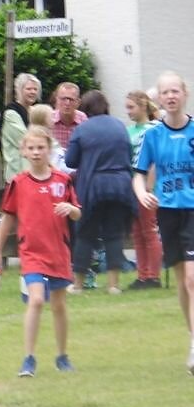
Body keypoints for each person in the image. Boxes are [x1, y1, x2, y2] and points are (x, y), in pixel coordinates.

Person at [0, 126, 82, 377]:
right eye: (31, 148)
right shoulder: (18, 183)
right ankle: (29, 358)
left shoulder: (63, 181)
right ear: (23, 151)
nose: (36, 152)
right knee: (37, 300)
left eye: (41, 147)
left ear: (49, 150)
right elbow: (7, 218)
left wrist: (70, 209)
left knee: (59, 305)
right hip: (31, 253)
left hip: (58, 251)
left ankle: (62, 356)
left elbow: (77, 211)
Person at [133, 71, 194, 375]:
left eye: (175, 91)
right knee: (183, 280)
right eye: (165, 92)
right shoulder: (153, 135)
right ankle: (192, 333)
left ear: (185, 94)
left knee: (193, 279)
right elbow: (139, 172)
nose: (171, 96)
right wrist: (142, 192)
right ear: (159, 97)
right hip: (167, 210)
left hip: (193, 210)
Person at [64, 90, 135, 295]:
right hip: (121, 185)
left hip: (93, 187)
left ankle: (77, 284)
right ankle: (113, 285)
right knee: (114, 235)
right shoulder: (120, 126)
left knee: (85, 234)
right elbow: (128, 155)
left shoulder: (82, 129)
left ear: (85, 109)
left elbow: (70, 161)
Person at [124, 89, 163, 289]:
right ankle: (142, 274)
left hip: (147, 186)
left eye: (131, 107)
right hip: (132, 185)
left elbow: (156, 158)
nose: (128, 111)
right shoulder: (129, 131)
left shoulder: (154, 128)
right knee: (137, 232)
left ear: (142, 106)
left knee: (149, 230)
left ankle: (153, 275)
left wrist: (149, 184)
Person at [0, 72, 41, 183]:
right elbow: (26, 140)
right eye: (28, 89)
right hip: (18, 176)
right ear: (19, 90)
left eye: (35, 89)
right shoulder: (11, 113)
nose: (33, 92)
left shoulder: (33, 111)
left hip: (35, 176)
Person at [28, 104, 68, 172]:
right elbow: (53, 161)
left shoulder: (48, 135)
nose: (54, 120)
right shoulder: (40, 138)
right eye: (51, 117)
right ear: (42, 119)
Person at [50, 82, 87, 149]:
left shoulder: (83, 120)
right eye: (63, 99)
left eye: (71, 99)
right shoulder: (49, 119)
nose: (67, 103)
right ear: (57, 100)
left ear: (78, 103)